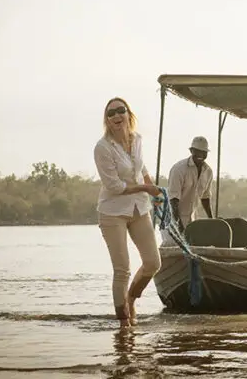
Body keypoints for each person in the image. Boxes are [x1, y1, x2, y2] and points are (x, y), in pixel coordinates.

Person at [94, 97, 162, 328]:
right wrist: (145, 188)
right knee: (122, 269)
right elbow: (114, 187)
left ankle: (131, 298)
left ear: (128, 114)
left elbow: (142, 169)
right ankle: (123, 322)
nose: (116, 116)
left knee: (153, 263)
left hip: (140, 208)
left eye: (120, 111)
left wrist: (155, 193)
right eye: (110, 113)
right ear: (107, 120)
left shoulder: (138, 139)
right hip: (113, 212)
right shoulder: (102, 148)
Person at [161, 136, 214, 246]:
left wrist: (212, 221)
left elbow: (205, 197)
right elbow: (173, 200)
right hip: (172, 220)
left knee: (192, 252)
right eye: (197, 152)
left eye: (203, 152)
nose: (200, 155)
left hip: (192, 220)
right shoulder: (179, 169)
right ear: (191, 151)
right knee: (172, 250)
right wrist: (179, 226)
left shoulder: (208, 171)